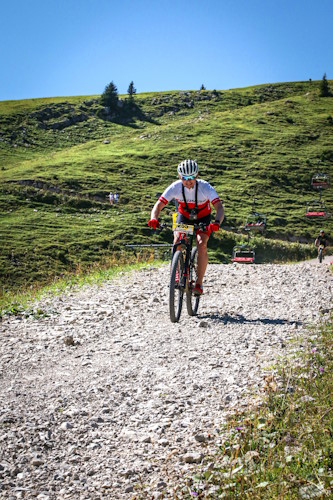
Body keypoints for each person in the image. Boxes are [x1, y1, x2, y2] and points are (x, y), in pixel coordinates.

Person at [148, 159, 224, 296]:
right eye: (185, 178)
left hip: (203, 218)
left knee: (201, 243)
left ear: (197, 176)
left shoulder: (205, 187)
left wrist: (217, 222)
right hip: (184, 217)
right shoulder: (175, 187)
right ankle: (177, 273)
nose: (188, 181)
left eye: (192, 177)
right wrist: (154, 218)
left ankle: (199, 283)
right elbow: (158, 205)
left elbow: (219, 207)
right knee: (177, 240)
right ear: (179, 177)